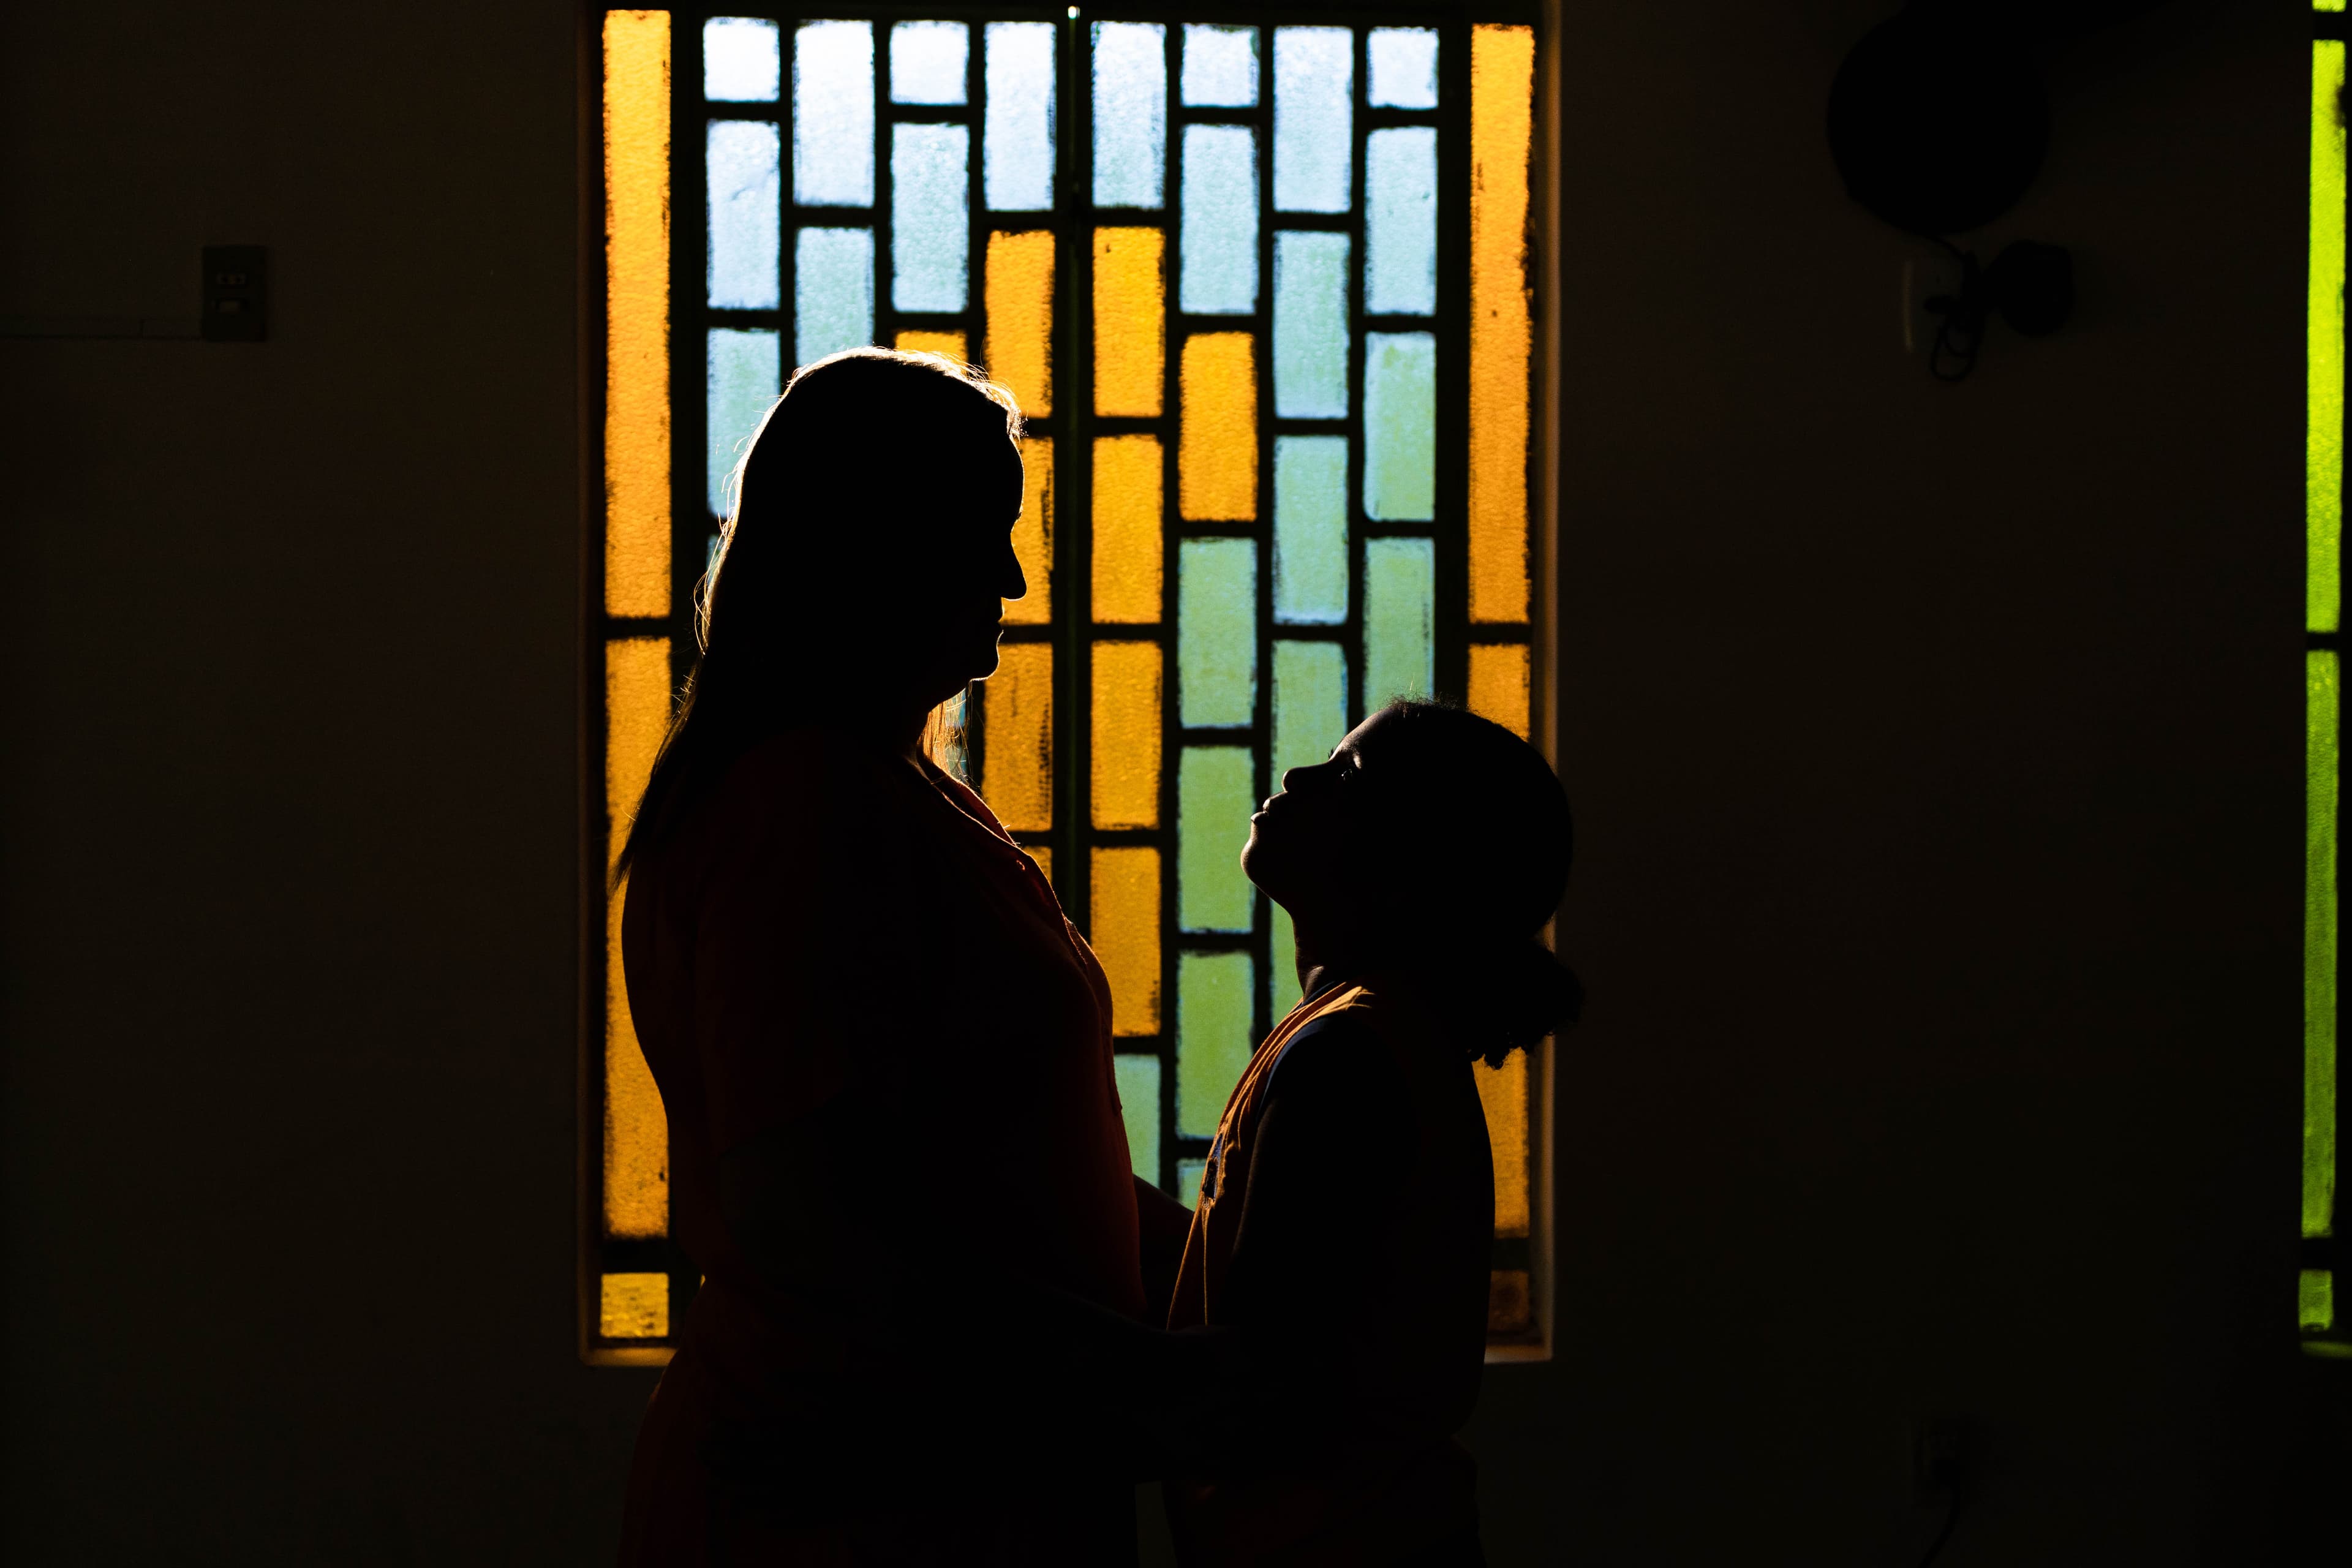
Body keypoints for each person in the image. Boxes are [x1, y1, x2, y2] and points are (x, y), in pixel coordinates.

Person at [614, 349, 1202, 1565]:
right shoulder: (801, 807)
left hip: (947, 1479)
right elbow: (804, 1219)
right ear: (867, 547)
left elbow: (1016, 1158)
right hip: (856, 1503)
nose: (1015, 578)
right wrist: (1150, 1369)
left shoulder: (900, 796)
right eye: (980, 533)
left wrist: (1223, 1272)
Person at [1163, 701, 1581, 1567]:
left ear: (1407, 869)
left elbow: (1261, 1377)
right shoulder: (1376, 1035)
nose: (1297, 778)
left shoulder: (1349, 1059)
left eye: (1345, 778)